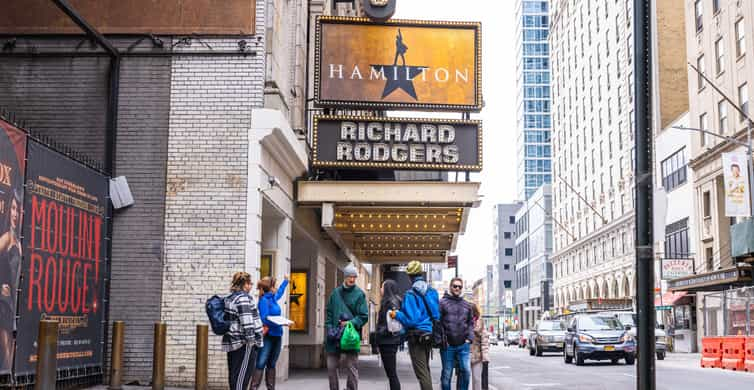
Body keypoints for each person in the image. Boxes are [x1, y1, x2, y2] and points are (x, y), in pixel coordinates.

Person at [390, 260, 440, 390]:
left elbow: (411, 320)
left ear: (410, 276)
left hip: (416, 336)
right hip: (429, 334)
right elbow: (436, 315)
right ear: (421, 274)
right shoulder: (432, 292)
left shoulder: (411, 294)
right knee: (425, 369)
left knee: (421, 373)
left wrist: (397, 315)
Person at [325, 263, 369, 390]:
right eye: (350, 276)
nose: (352, 279)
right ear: (344, 277)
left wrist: (351, 323)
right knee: (331, 367)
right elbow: (329, 312)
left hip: (350, 336)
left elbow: (364, 316)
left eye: (354, 277)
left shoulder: (359, 294)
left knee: (352, 367)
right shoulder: (335, 293)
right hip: (334, 335)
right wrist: (329, 327)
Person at [223, 272, 265, 390]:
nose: (251, 286)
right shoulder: (243, 298)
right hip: (244, 343)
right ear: (244, 284)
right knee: (242, 376)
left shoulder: (231, 297)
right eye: (250, 283)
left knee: (234, 375)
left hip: (232, 341)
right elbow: (247, 321)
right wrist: (252, 342)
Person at [252, 275, 289, 390]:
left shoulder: (273, 298)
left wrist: (286, 281)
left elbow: (280, 292)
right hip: (268, 336)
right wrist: (280, 322)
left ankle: (271, 388)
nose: (277, 288)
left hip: (277, 335)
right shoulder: (264, 301)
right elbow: (264, 319)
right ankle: (254, 387)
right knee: (261, 363)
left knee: (272, 364)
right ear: (271, 287)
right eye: (275, 286)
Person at [439, 277, 474, 390]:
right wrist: (443, 340)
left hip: (463, 345)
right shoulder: (442, 303)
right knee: (447, 374)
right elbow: (437, 324)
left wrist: (469, 338)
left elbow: (470, 323)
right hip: (448, 345)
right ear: (450, 287)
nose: (457, 288)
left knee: (466, 371)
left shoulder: (467, 305)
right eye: (455, 286)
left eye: (459, 287)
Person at [376, 279, 403, 390]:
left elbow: (393, 325)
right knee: (391, 373)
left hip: (388, 342)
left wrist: (379, 332)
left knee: (391, 374)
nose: (380, 289)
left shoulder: (391, 302)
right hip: (389, 342)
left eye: (382, 287)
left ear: (387, 288)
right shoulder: (393, 301)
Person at [469, 304, 489, 390]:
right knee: (467, 380)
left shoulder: (480, 323)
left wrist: (485, 357)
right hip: (464, 355)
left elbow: (485, 341)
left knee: (477, 380)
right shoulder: (463, 322)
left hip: (477, 356)